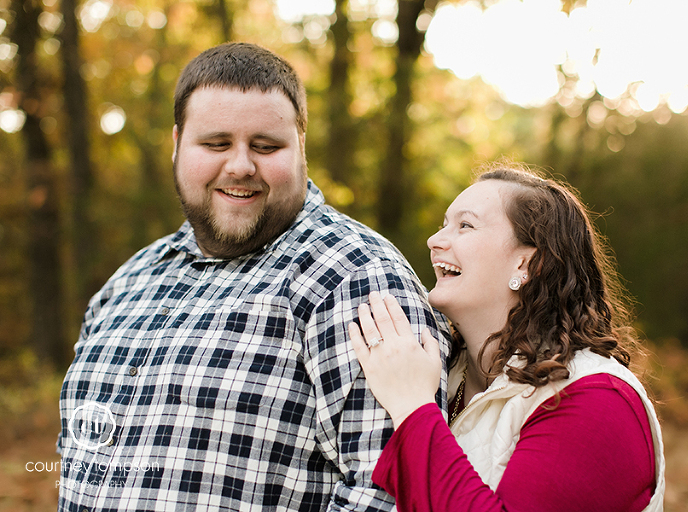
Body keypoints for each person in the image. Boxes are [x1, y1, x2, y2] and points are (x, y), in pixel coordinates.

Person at [57, 42, 449, 512]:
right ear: (177, 144)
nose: (241, 165)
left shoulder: (355, 279)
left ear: (300, 148)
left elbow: (391, 494)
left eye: (266, 146)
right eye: (216, 143)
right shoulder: (126, 285)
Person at [349, 163, 665, 512]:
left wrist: (411, 405)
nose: (434, 241)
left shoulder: (597, 399)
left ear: (525, 265)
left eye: (465, 225)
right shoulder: (441, 370)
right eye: (443, 225)